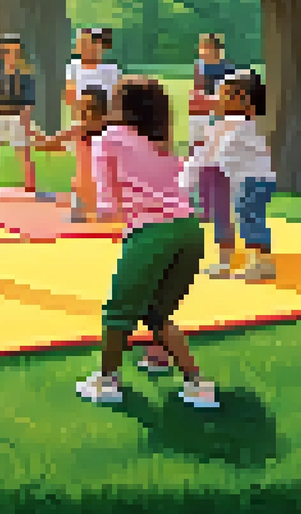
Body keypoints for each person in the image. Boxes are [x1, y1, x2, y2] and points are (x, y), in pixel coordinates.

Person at [76, 77, 218, 409]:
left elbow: (107, 204)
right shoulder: (162, 143)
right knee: (157, 315)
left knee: (117, 313)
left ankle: (106, 381)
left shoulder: (108, 138)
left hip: (151, 233)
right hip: (189, 231)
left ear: (122, 106)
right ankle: (198, 385)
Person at [181, 69, 278, 281]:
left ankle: (263, 263)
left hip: (252, 181)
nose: (217, 98)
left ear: (243, 101)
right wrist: (187, 180)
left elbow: (214, 152)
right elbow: (203, 154)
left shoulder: (245, 125)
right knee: (222, 218)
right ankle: (226, 261)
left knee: (249, 217)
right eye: (219, 92)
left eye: (224, 94)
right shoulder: (221, 126)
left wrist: (188, 178)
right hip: (227, 179)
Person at [188, 34, 237, 272]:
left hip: (216, 120)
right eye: (201, 47)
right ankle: (203, 206)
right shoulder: (200, 66)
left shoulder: (227, 69)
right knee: (203, 166)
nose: (202, 50)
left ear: (216, 48)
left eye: (206, 46)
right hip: (202, 119)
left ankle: (225, 240)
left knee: (217, 175)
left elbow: (225, 100)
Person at [64, 28, 119, 221]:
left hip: (105, 124)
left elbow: (115, 99)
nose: (85, 48)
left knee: (105, 165)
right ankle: (78, 208)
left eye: (89, 43)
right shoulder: (73, 68)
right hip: (83, 123)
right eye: (81, 43)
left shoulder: (111, 70)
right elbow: (70, 96)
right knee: (83, 166)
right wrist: (82, 118)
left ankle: (104, 207)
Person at [34, 87, 110, 222]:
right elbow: (48, 144)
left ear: (103, 113)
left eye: (90, 108)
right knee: (76, 224)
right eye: (81, 108)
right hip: (81, 192)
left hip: (103, 195)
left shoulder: (111, 134)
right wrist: (33, 134)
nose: (84, 113)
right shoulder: (78, 130)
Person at [0, 34, 39, 200]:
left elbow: (29, 98)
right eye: (7, 51)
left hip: (18, 116)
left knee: (23, 153)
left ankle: (31, 189)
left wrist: (25, 117)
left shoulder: (25, 73)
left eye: (14, 51)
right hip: (1, 115)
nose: (10, 55)